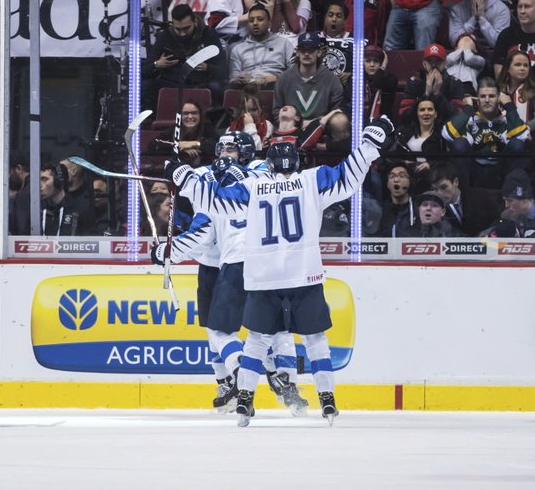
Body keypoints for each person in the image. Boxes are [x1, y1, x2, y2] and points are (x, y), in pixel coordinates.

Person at [157, 117, 395, 426]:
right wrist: (369, 144)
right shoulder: (313, 180)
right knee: (314, 339)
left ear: (268, 164)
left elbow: (214, 201)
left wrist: (182, 175)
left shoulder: (253, 187)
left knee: (256, 338)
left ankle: (244, 400)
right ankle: (327, 400)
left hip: (264, 277)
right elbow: (349, 177)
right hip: (304, 275)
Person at [442, 77, 531, 187]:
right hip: (475, 170)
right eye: (483, 96)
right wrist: (468, 110)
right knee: (459, 143)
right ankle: (462, 196)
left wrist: (509, 106)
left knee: (516, 144)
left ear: (499, 98)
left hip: (500, 170)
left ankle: (512, 194)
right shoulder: (470, 120)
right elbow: (447, 134)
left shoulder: (506, 120)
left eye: (492, 96)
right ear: (477, 99)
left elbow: (523, 136)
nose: (487, 100)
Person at [142, 3, 227, 109]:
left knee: (218, 88)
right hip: (172, 82)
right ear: (172, 24)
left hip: (201, 82)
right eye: (178, 29)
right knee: (149, 87)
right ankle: (150, 123)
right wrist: (157, 64)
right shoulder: (165, 36)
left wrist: (207, 68)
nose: (182, 33)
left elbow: (224, 70)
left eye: (186, 28)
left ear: (195, 22)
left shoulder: (208, 35)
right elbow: (145, 70)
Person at [272, 31, 345, 120]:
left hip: (321, 127)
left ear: (319, 53)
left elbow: (337, 112)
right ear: (297, 53)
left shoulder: (331, 80)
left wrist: (316, 124)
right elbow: (276, 112)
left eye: (311, 50)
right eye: (303, 50)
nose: (306, 54)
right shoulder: (284, 79)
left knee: (340, 121)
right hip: (291, 127)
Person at [228, 4, 294, 88]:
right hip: (247, 86)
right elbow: (233, 77)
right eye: (251, 20)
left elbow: (294, 72)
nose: (255, 23)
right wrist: (239, 79)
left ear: (269, 23)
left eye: (260, 19)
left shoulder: (284, 43)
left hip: (274, 84)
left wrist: (277, 78)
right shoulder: (238, 49)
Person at [428, 159, 499, 236]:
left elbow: (496, 224)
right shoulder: (433, 209)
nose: (439, 193)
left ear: (456, 182)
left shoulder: (481, 198)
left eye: (444, 187)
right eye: (435, 189)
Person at [392, 190, 462, 237]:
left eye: (434, 205)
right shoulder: (405, 235)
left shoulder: (455, 236)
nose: (428, 208)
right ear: (419, 209)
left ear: (443, 212)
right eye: (424, 205)